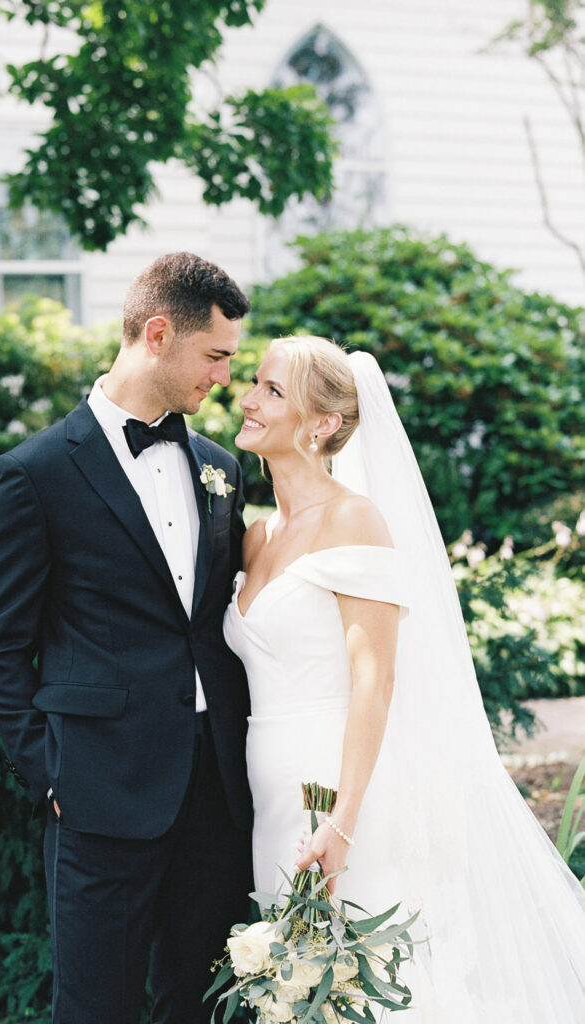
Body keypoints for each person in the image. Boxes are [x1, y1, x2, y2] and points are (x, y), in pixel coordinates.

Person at [224, 335, 585, 1023]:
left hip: (339, 793)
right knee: (298, 986)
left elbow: (375, 680)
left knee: (370, 985)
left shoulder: (353, 519)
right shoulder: (257, 536)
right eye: (254, 384)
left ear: (323, 423)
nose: (247, 400)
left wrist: (344, 822)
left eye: (272, 391)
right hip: (267, 792)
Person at [0, 252, 254, 1024]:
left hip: (218, 797)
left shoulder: (220, 469)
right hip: (99, 796)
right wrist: (54, 773)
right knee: (97, 1008)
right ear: (158, 334)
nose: (226, 376)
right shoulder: (35, 473)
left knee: (203, 1006)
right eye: (217, 356)